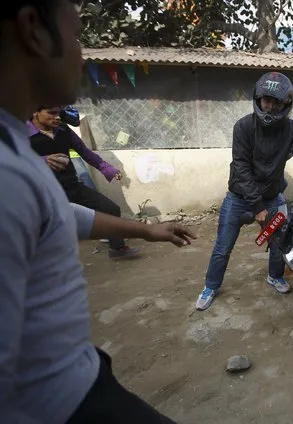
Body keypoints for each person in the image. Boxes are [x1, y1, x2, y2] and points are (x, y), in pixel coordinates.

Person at [0, 1, 196, 423]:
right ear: (34, 29)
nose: (82, 53)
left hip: (81, 378)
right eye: (75, 36)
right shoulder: (7, 173)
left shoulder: (13, 146)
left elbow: (62, 215)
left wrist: (146, 230)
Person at [196, 71, 293, 311]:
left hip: (272, 197)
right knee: (223, 246)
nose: (270, 106)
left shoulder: (292, 129)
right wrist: (257, 207)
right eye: (266, 100)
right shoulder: (242, 127)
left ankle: (275, 276)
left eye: (276, 102)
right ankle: (210, 286)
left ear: (286, 104)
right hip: (239, 197)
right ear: (258, 98)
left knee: (279, 243)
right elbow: (241, 168)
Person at [29, 106, 137, 259]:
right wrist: (43, 160)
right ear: (35, 112)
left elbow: (85, 152)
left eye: (59, 113)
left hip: (71, 186)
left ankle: (117, 249)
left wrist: (108, 169)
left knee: (110, 209)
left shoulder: (63, 130)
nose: (58, 117)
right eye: (51, 113)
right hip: (44, 193)